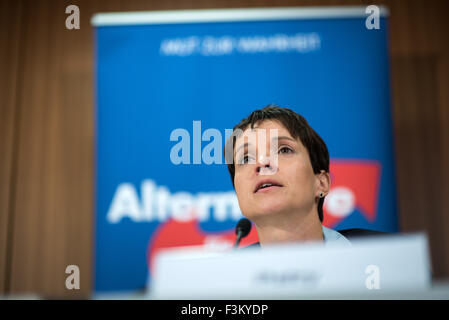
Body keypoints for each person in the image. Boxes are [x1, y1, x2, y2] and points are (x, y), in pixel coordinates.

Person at [224, 105, 383, 247]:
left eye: (284, 150)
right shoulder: (225, 276)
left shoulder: (386, 256)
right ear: (238, 193)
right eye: (246, 158)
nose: (262, 163)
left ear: (321, 183)